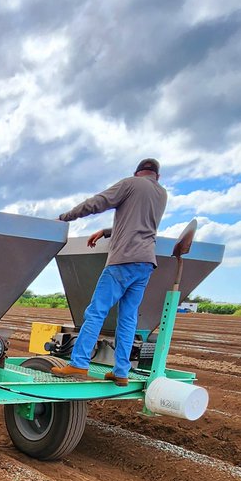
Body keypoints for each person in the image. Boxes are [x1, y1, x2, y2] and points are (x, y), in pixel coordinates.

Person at [52, 158, 167, 385]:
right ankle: (121, 371)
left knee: (96, 312)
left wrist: (63, 218)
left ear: (137, 172)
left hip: (122, 260)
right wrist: (106, 231)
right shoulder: (161, 194)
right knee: (128, 318)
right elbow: (138, 224)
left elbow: (98, 202)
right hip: (145, 263)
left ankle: (79, 363)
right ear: (157, 176)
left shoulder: (131, 183)